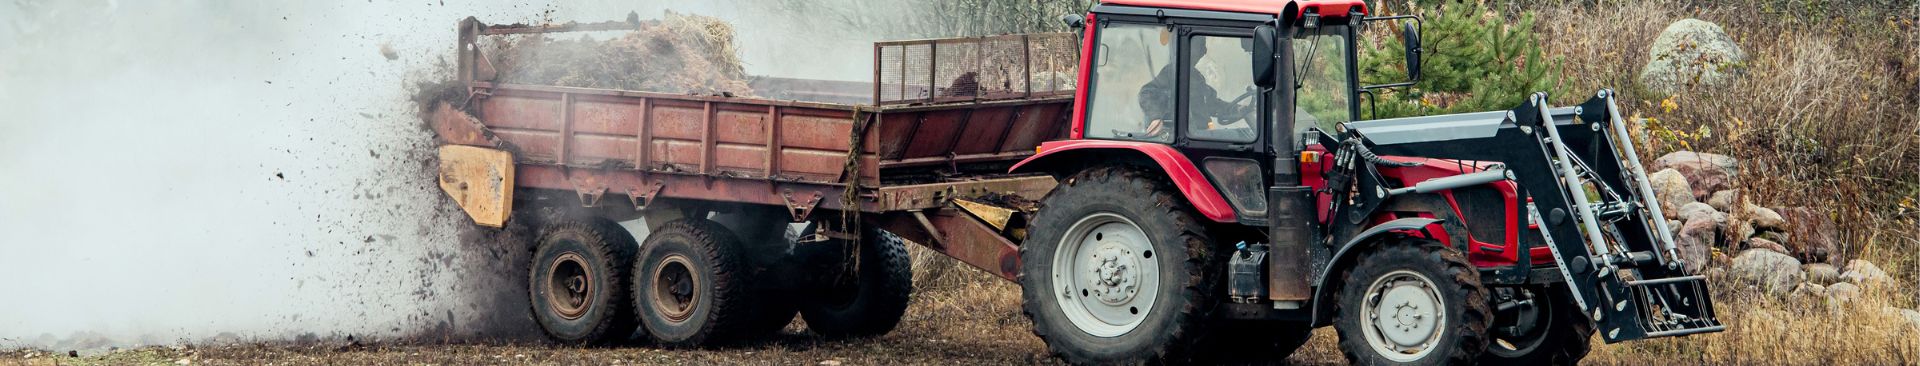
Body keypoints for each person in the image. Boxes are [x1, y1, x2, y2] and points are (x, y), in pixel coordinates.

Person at [1136, 39, 1255, 139]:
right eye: (1199, 47)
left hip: (1200, 135)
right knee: (1240, 139)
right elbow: (1147, 92)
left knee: (1243, 137)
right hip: (1190, 137)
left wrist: (1236, 109)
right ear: (1187, 49)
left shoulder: (1195, 76)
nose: (1202, 52)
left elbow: (1211, 103)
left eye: (1202, 48)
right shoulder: (1172, 72)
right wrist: (1155, 117)